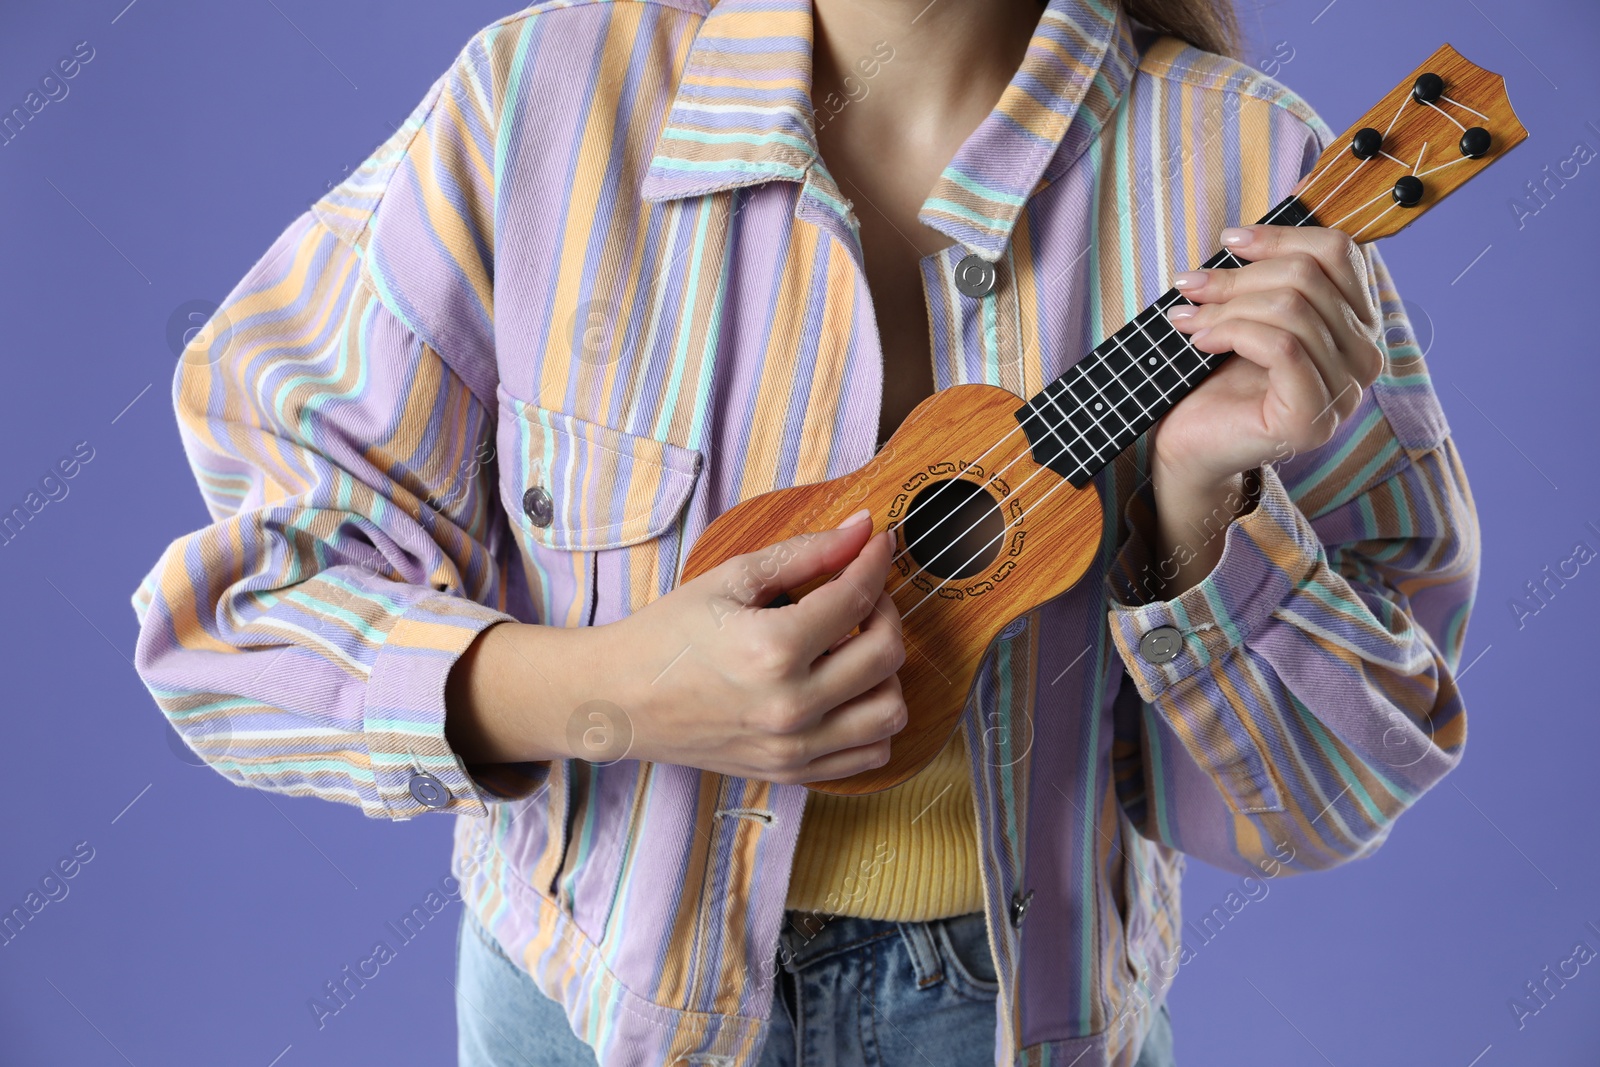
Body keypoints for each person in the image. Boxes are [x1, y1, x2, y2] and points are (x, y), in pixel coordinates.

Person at [131, 0, 1478, 1062]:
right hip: (593, 1023)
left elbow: (1328, 798)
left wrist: (1195, 510)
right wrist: (613, 694)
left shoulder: (1256, 175)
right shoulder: (534, 108)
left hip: (1011, 1028)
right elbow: (240, 621)